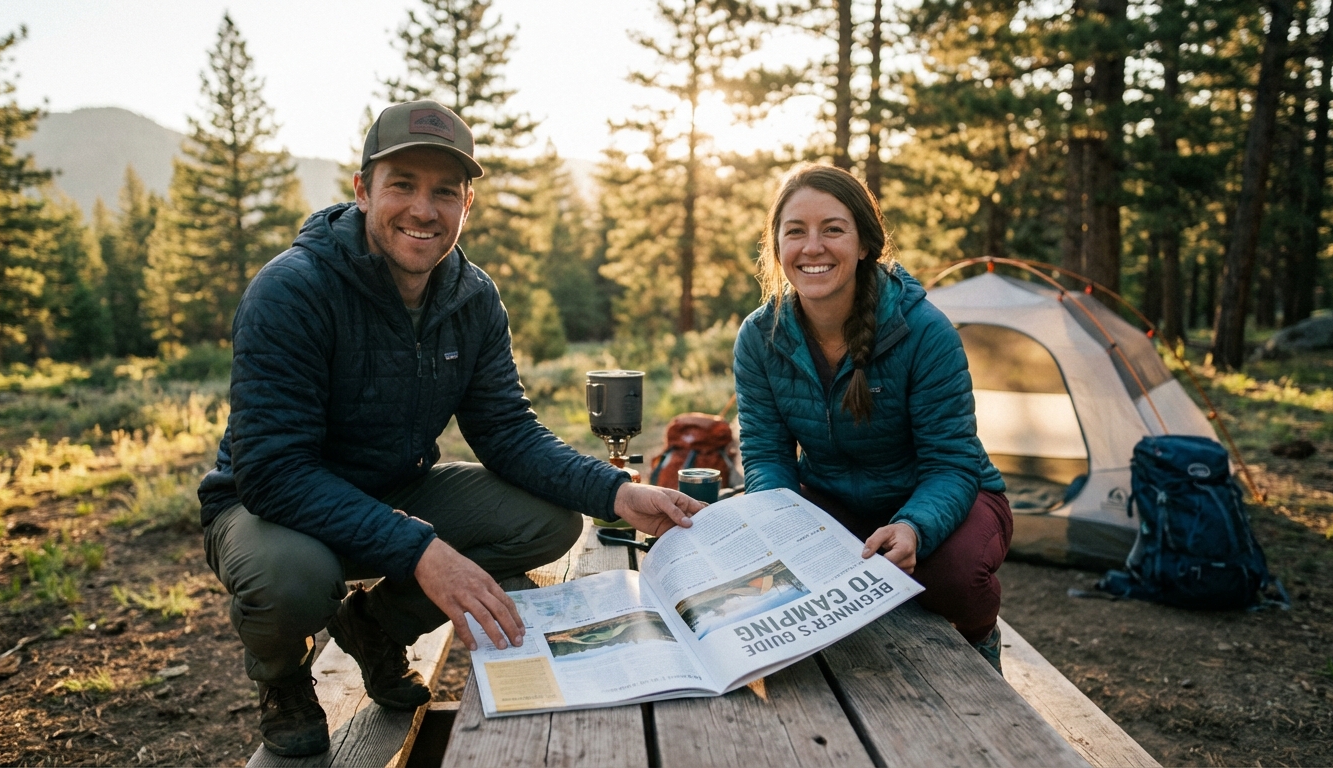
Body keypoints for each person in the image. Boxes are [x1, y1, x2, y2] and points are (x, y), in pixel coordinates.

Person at [197, 100, 702, 757]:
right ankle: (285, 681)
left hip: (388, 492)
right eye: (401, 185)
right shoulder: (292, 291)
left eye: (444, 191)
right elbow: (273, 473)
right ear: (362, 190)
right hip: (269, 511)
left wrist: (614, 492)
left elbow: (507, 431)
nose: (423, 210)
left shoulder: (473, 298)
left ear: (468, 203)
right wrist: (419, 550)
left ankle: (376, 627)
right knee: (292, 580)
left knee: (550, 522)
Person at [732, 163, 1011, 672]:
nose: (812, 247)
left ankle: (982, 638)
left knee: (952, 574)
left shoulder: (925, 331)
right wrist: (780, 526)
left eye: (832, 229)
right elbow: (767, 457)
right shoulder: (759, 337)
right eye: (795, 232)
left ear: (864, 244)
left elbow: (951, 463)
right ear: (777, 247)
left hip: (945, 494)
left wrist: (913, 526)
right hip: (834, 500)